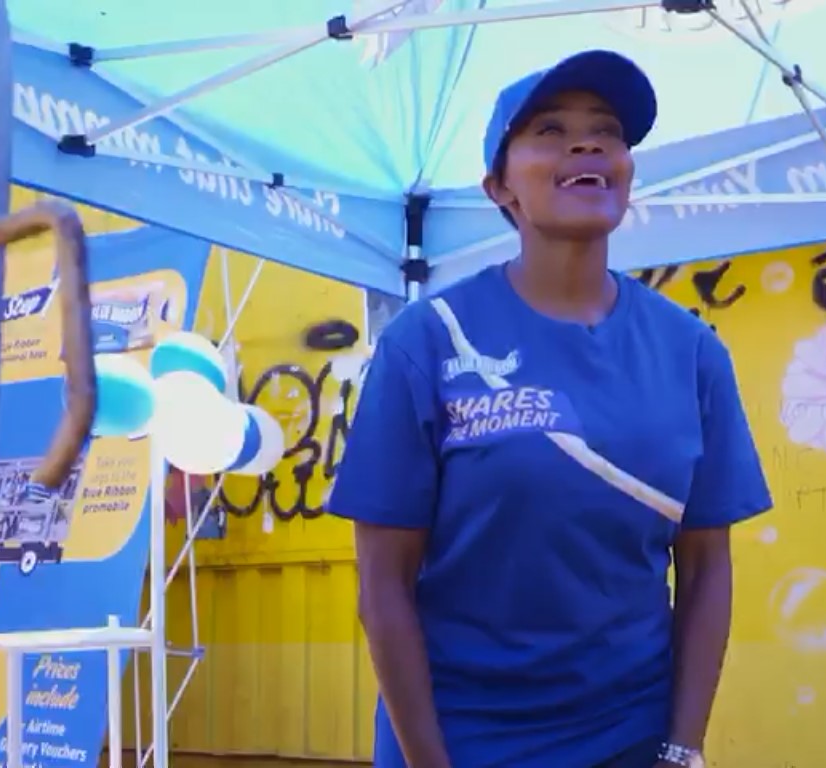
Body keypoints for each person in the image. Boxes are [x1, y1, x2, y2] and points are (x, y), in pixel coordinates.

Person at [329, 49, 773, 768]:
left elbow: (705, 567)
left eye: (607, 131)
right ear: (500, 186)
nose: (587, 145)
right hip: (459, 737)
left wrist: (682, 749)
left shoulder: (691, 352)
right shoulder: (428, 342)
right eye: (550, 131)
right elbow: (383, 584)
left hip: (632, 736)